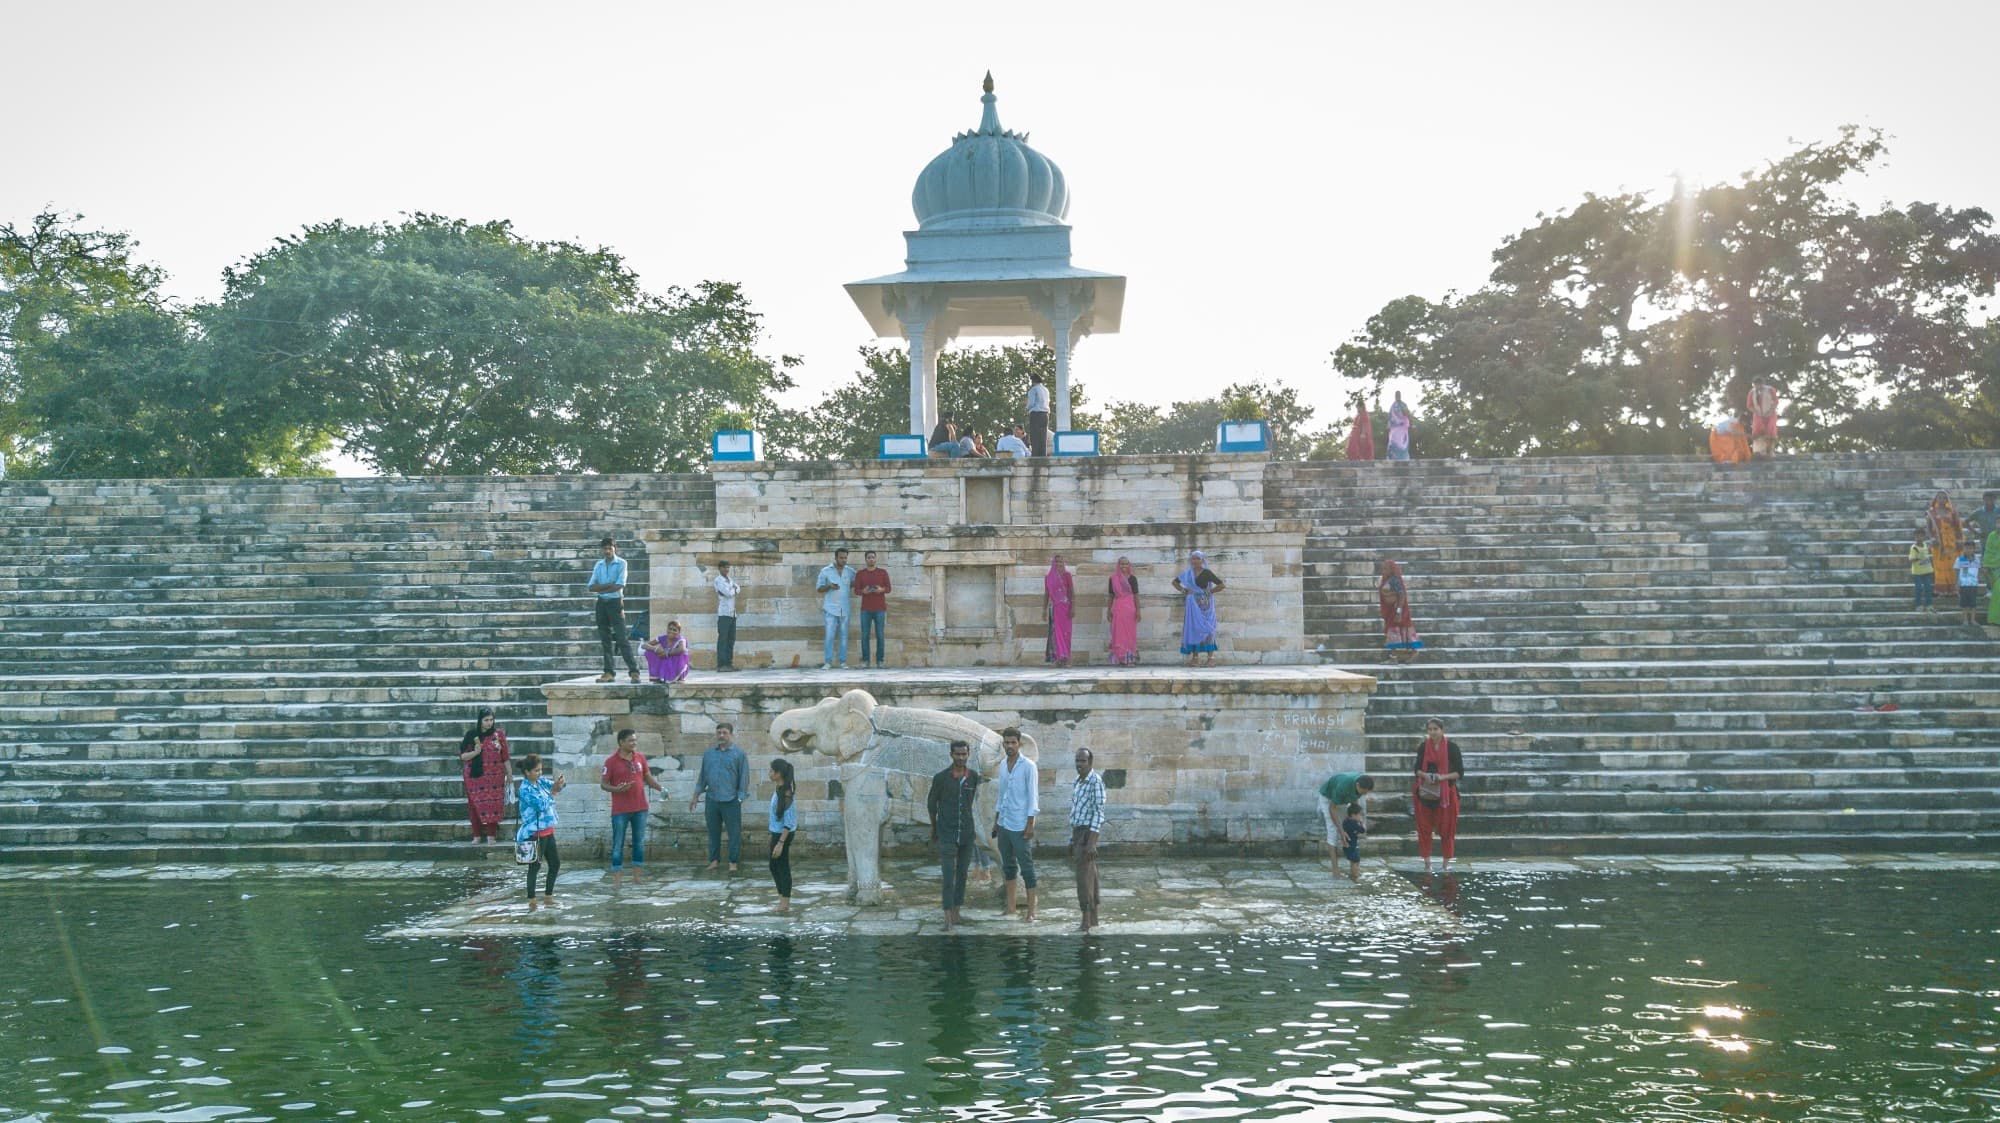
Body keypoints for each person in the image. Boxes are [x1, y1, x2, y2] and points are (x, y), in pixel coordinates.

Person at [927, 740, 982, 933]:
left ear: (968, 755)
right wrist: (934, 828)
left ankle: (957, 914)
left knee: (962, 875)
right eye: (957, 754)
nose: (960, 758)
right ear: (951, 755)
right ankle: (947, 919)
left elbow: (970, 803)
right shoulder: (941, 778)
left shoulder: (973, 777)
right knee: (948, 876)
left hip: (966, 834)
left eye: (964, 754)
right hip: (947, 833)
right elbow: (931, 805)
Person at [601, 728, 663, 878]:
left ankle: (637, 878)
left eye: (635, 740)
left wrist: (661, 788)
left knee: (639, 843)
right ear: (621, 742)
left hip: (640, 808)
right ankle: (617, 881)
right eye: (631, 740)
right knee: (617, 845)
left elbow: (648, 778)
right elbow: (603, 784)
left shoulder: (640, 758)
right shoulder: (610, 761)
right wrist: (617, 789)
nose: (634, 743)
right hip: (620, 810)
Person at [992, 727, 1039, 922]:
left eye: (1013, 742)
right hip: (1004, 823)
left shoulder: (1028, 766)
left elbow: (1033, 798)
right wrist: (996, 822)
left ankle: (1031, 912)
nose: (1010, 746)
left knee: (1026, 868)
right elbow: (1001, 795)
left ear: (1020, 743)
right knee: (1008, 867)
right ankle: (1010, 907)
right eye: (1007, 742)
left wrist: (1030, 826)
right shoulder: (1003, 765)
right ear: (1003, 744)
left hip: (1020, 825)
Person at [689, 722, 749, 873]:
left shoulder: (739, 754)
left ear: (731, 734)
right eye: (719, 732)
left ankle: (733, 862)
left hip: (731, 800)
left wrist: (740, 798)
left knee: (734, 833)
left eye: (724, 732)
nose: (721, 735)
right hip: (712, 799)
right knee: (713, 832)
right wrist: (695, 797)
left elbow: (744, 777)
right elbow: (703, 777)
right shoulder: (709, 754)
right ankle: (714, 860)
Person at [1411, 718, 1465, 874]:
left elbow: (1459, 773)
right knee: (1424, 829)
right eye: (1430, 729)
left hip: (1446, 794)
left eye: (1436, 729)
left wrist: (1442, 777)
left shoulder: (1452, 748)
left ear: (1442, 730)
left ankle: (1445, 864)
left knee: (1447, 830)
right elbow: (1416, 770)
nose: (1433, 732)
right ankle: (1427, 864)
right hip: (1425, 794)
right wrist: (1425, 775)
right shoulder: (1423, 747)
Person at [514, 754, 567, 904]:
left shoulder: (541, 782)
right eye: (536, 771)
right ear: (527, 772)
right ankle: (532, 899)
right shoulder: (525, 789)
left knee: (555, 864)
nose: (540, 773)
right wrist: (554, 792)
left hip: (548, 831)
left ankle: (548, 895)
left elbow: (556, 787)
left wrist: (559, 784)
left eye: (541, 770)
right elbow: (541, 805)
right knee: (534, 867)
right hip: (534, 833)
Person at [588, 537, 642, 683]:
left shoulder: (622, 563)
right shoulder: (598, 565)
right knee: (605, 639)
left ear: (614, 548)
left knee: (622, 638)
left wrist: (603, 587)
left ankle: (634, 672)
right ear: (602, 550)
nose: (607, 551)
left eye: (609, 548)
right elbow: (591, 587)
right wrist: (608, 585)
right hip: (601, 604)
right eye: (605, 549)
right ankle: (609, 672)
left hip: (615, 603)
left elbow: (619, 585)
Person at [455, 709, 511, 844]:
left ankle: (491, 835)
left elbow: (505, 756)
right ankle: (477, 835)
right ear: (480, 720)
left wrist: (509, 774)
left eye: (491, 720)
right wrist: (475, 752)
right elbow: (462, 756)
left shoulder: (499, 735)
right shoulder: (471, 735)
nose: (489, 723)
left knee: (494, 804)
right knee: (474, 805)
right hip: (475, 776)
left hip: (495, 776)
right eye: (486, 720)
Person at [1068, 747, 1106, 932]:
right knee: (1092, 877)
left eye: (1083, 761)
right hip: (1078, 832)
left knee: (1083, 879)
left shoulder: (1095, 781)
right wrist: (1072, 839)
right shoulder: (1077, 781)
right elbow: (1076, 811)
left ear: (1090, 762)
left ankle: (1085, 921)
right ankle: (1094, 919)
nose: (1079, 764)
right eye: (1077, 760)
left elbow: (1099, 813)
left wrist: (1091, 842)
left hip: (1087, 834)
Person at [1316, 772, 1374, 878]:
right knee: (1333, 830)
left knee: (1347, 826)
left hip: (1342, 799)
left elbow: (1355, 802)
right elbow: (1332, 808)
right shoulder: (1342, 787)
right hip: (1328, 798)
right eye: (1363, 792)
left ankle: (1353, 867)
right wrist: (1341, 830)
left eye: (1366, 793)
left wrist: (1358, 818)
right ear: (1358, 785)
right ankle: (1335, 870)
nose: (1364, 794)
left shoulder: (1361, 783)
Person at [1173, 550, 1224, 667]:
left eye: (1198, 558)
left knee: (1207, 629)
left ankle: (1210, 658)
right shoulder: (1187, 573)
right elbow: (1175, 583)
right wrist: (1184, 590)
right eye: (1194, 558)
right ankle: (1195, 658)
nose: (1195, 561)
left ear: (1202, 560)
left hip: (1204, 604)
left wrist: (1210, 591)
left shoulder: (1207, 573)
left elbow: (1221, 585)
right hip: (1192, 604)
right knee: (1194, 628)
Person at [814, 548, 856, 670]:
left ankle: (843, 662)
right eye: (841, 557)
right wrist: (829, 586)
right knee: (829, 636)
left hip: (845, 609)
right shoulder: (826, 571)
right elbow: (819, 588)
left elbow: (856, 583)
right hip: (830, 609)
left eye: (845, 558)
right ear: (836, 557)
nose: (843, 560)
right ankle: (828, 662)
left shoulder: (850, 572)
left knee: (844, 637)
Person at [767, 758, 798, 912]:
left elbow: (789, 822)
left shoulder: (787, 794)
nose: (769, 773)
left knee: (782, 867)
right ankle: (782, 900)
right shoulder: (778, 789)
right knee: (774, 866)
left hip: (783, 835)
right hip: (776, 833)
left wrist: (780, 843)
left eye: (772, 771)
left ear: (778, 773)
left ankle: (785, 903)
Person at [1378, 558, 1423, 664]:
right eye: (1383, 568)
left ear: (1391, 569)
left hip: (1397, 610)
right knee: (1396, 631)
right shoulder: (1387, 579)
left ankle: (1406, 654)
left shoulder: (1394, 579)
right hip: (1391, 610)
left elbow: (1402, 595)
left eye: (1385, 569)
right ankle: (1397, 656)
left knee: (1399, 630)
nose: (1383, 571)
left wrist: (1399, 611)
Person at [854, 551, 892, 669]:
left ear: (876, 559)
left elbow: (889, 588)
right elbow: (856, 590)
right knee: (865, 635)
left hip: (880, 609)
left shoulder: (882, 572)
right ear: (865, 559)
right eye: (869, 558)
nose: (871, 559)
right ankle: (865, 661)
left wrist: (881, 590)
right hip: (865, 609)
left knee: (880, 635)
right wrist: (863, 592)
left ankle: (880, 661)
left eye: (873, 557)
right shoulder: (860, 574)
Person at [1106, 556, 1141, 666]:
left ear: (1129, 565)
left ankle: (1130, 659)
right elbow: (1111, 596)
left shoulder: (1133, 578)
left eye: (1126, 564)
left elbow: (1136, 596)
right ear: (1118, 565)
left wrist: (1138, 611)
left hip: (1130, 609)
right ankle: (1121, 659)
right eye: (1122, 564)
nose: (1124, 566)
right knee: (1119, 634)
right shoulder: (1113, 579)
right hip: (1118, 609)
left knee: (1130, 634)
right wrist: (1108, 610)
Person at [1929, 492, 1963, 598]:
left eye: (1944, 497)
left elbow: (1958, 526)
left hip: (1951, 543)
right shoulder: (1931, 512)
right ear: (1936, 499)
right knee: (1940, 566)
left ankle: (1954, 590)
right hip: (1938, 543)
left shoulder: (1952, 511)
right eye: (1940, 497)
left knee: (1953, 565)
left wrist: (1959, 541)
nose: (1942, 499)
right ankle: (1941, 590)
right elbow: (1928, 528)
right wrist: (1932, 538)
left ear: (1947, 499)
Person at [1044, 554, 1075, 667]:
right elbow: (1046, 594)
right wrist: (1043, 610)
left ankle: (1067, 659)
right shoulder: (1048, 577)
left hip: (1066, 609)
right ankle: (1058, 659)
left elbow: (1071, 592)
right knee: (1055, 634)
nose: (1058, 564)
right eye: (1056, 561)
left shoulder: (1067, 575)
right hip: (1055, 608)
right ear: (1053, 563)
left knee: (1067, 633)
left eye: (1060, 561)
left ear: (1063, 563)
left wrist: (1073, 607)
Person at [712, 561, 741, 672]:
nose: (727, 569)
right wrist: (734, 590)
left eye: (728, 567)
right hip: (724, 614)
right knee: (723, 640)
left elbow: (738, 588)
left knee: (731, 640)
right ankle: (721, 665)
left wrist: (733, 589)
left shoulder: (730, 579)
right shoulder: (718, 580)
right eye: (724, 567)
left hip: (732, 613)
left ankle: (729, 664)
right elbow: (728, 593)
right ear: (719, 568)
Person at [1747, 380, 1780, 456]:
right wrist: (1757, 412)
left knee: (1771, 432)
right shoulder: (1752, 392)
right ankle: (1759, 451)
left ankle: (1770, 451)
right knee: (1758, 432)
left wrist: (1770, 411)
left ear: (1763, 384)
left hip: (1770, 415)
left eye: (1759, 385)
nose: (1758, 387)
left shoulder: (1770, 389)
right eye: (1756, 385)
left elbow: (1776, 401)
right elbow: (1749, 405)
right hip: (1758, 416)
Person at [1956, 544, 1983, 626]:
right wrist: (1957, 582)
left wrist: (1977, 579)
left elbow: (1978, 570)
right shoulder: (1960, 559)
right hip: (1963, 584)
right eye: (1966, 548)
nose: (1968, 550)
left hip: (1973, 584)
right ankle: (1965, 620)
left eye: (1970, 548)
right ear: (1963, 549)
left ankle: (1973, 620)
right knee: (1964, 604)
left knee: (1973, 603)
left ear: (1974, 549)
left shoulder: (1976, 559)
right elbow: (1956, 571)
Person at [1909, 528, 1936, 610]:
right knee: (1919, 588)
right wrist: (1918, 558)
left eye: (1921, 536)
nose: (1919, 538)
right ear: (1914, 537)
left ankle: (1929, 604)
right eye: (1917, 536)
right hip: (1917, 572)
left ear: (1924, 537)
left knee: (1928, 588)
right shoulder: (1914, 548)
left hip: (1927, 571)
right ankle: (1918, 604)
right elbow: (1911, 559)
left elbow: (1927, 553)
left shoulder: (1925, 545)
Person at [1340, 802, 1367, 881]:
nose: (1361, 817)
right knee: (1355, 860)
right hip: (1351, 846)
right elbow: (1363, 830)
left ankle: (1353, 874)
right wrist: (1362, 822)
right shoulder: (1353, 824)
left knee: (1353, 861)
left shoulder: (1347, 821)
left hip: (1348, 846)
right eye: (1360, 815)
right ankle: (1355, 876)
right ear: (1353, 815)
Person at [1026, 373, 1051, 457]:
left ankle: (1035, 456)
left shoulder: (1033, 390)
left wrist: (1026, 407)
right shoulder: (1046, 390)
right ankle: (1042, 456)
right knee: (1043, 437)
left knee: (1035, 436)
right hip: (1045, 414)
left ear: (1033, 381)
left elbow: (1031, 404)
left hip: (1036, 414)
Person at [1386, 392, 1412, 461]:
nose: (1397, 396)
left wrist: (1412, 424)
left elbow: (1407, 414)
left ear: (1400, 396)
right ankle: (1392, 459)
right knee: (1392, 443)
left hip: (1402, 429)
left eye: (1398, 395)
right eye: (1396, 395)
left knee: (1402, 445)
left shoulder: (1403, 404)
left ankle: (1403, 459)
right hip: (1394, 429)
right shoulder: (1393, 405)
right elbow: (1390, 417)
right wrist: (1388, 427)